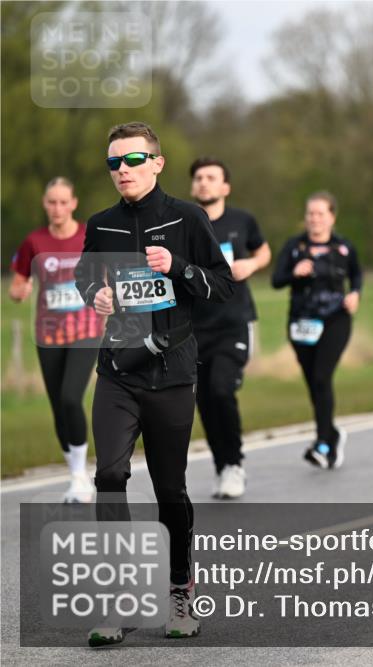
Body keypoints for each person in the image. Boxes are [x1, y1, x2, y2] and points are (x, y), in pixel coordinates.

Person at [75, 122, 235, 645]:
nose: (122, 170)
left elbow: (223, 286)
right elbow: (84, 276)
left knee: (170, 489)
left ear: (157, 163)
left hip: (171, 372)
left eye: (133, 160)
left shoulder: (187, 218)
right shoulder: (102, 224)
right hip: (118, 371)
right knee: (109, 475)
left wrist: (179, 267)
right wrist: (95, 296)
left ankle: (179, 589)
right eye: (114, 163)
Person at [9, 177, 102, 503]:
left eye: (64, 202)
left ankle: (80, 477)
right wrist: (20, 291)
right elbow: (17, 285)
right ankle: (77, 474)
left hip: (86, 330)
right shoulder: (34, 242)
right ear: (45, 204)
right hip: (49, 335)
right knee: (58, 408)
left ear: (74, 203)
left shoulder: (90, 236)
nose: (58, 208)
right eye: (52, 202)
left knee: (70, 398)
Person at [190, 157, 271, 499]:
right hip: (195, 328)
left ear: (225, 186)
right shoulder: (183, 223)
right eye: (198, 177)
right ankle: (221, 466)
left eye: (211, 177)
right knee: (205, 400)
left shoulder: (242, 220)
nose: (203, 182)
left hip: (233, 324)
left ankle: (235, 464)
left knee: (222, 389)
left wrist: (250, 265)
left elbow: (263, 252)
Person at [272, 191, 361, 469]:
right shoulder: (294, 246)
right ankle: (331, 433)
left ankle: (322, 443)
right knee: (314, 381)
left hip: (335, 319)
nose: (315, 219)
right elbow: (276, 280)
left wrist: (355, 293)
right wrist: (294, 272)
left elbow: (356, 275)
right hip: (301, 322)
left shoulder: (343, 247)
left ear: (332, 217)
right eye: (310, 213)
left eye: (320, 213)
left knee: (322, 377)